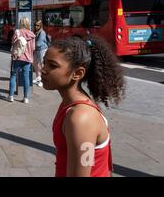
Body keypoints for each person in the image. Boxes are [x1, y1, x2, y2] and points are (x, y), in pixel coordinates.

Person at [41, 36, 125, 177]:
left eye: (52, 66)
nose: (43, 69)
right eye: (44, 63)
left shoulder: (81, 118)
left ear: (77, 73)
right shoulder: (69, 105)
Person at [8, 17, 36, 104]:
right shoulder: (32, 34)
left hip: (17, 57)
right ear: (28, 23)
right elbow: (33, 48)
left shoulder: (17, 32)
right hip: (27, 59)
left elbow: (13, 42)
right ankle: (26, 98)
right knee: (26, 77)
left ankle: (11, 96)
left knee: (13, 75)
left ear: (20, 23)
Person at [33, 20, 48, 88]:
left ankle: (42, 80)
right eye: (35, 25)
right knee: (35, 63)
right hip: (36, 50)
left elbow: (38, 43)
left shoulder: (42, 32)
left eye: (38, 25)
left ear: (41, 25)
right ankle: (38, 77)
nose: (36, 26)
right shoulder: (36, 32)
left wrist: (31, 46)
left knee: (42, 64)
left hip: (42, 49)